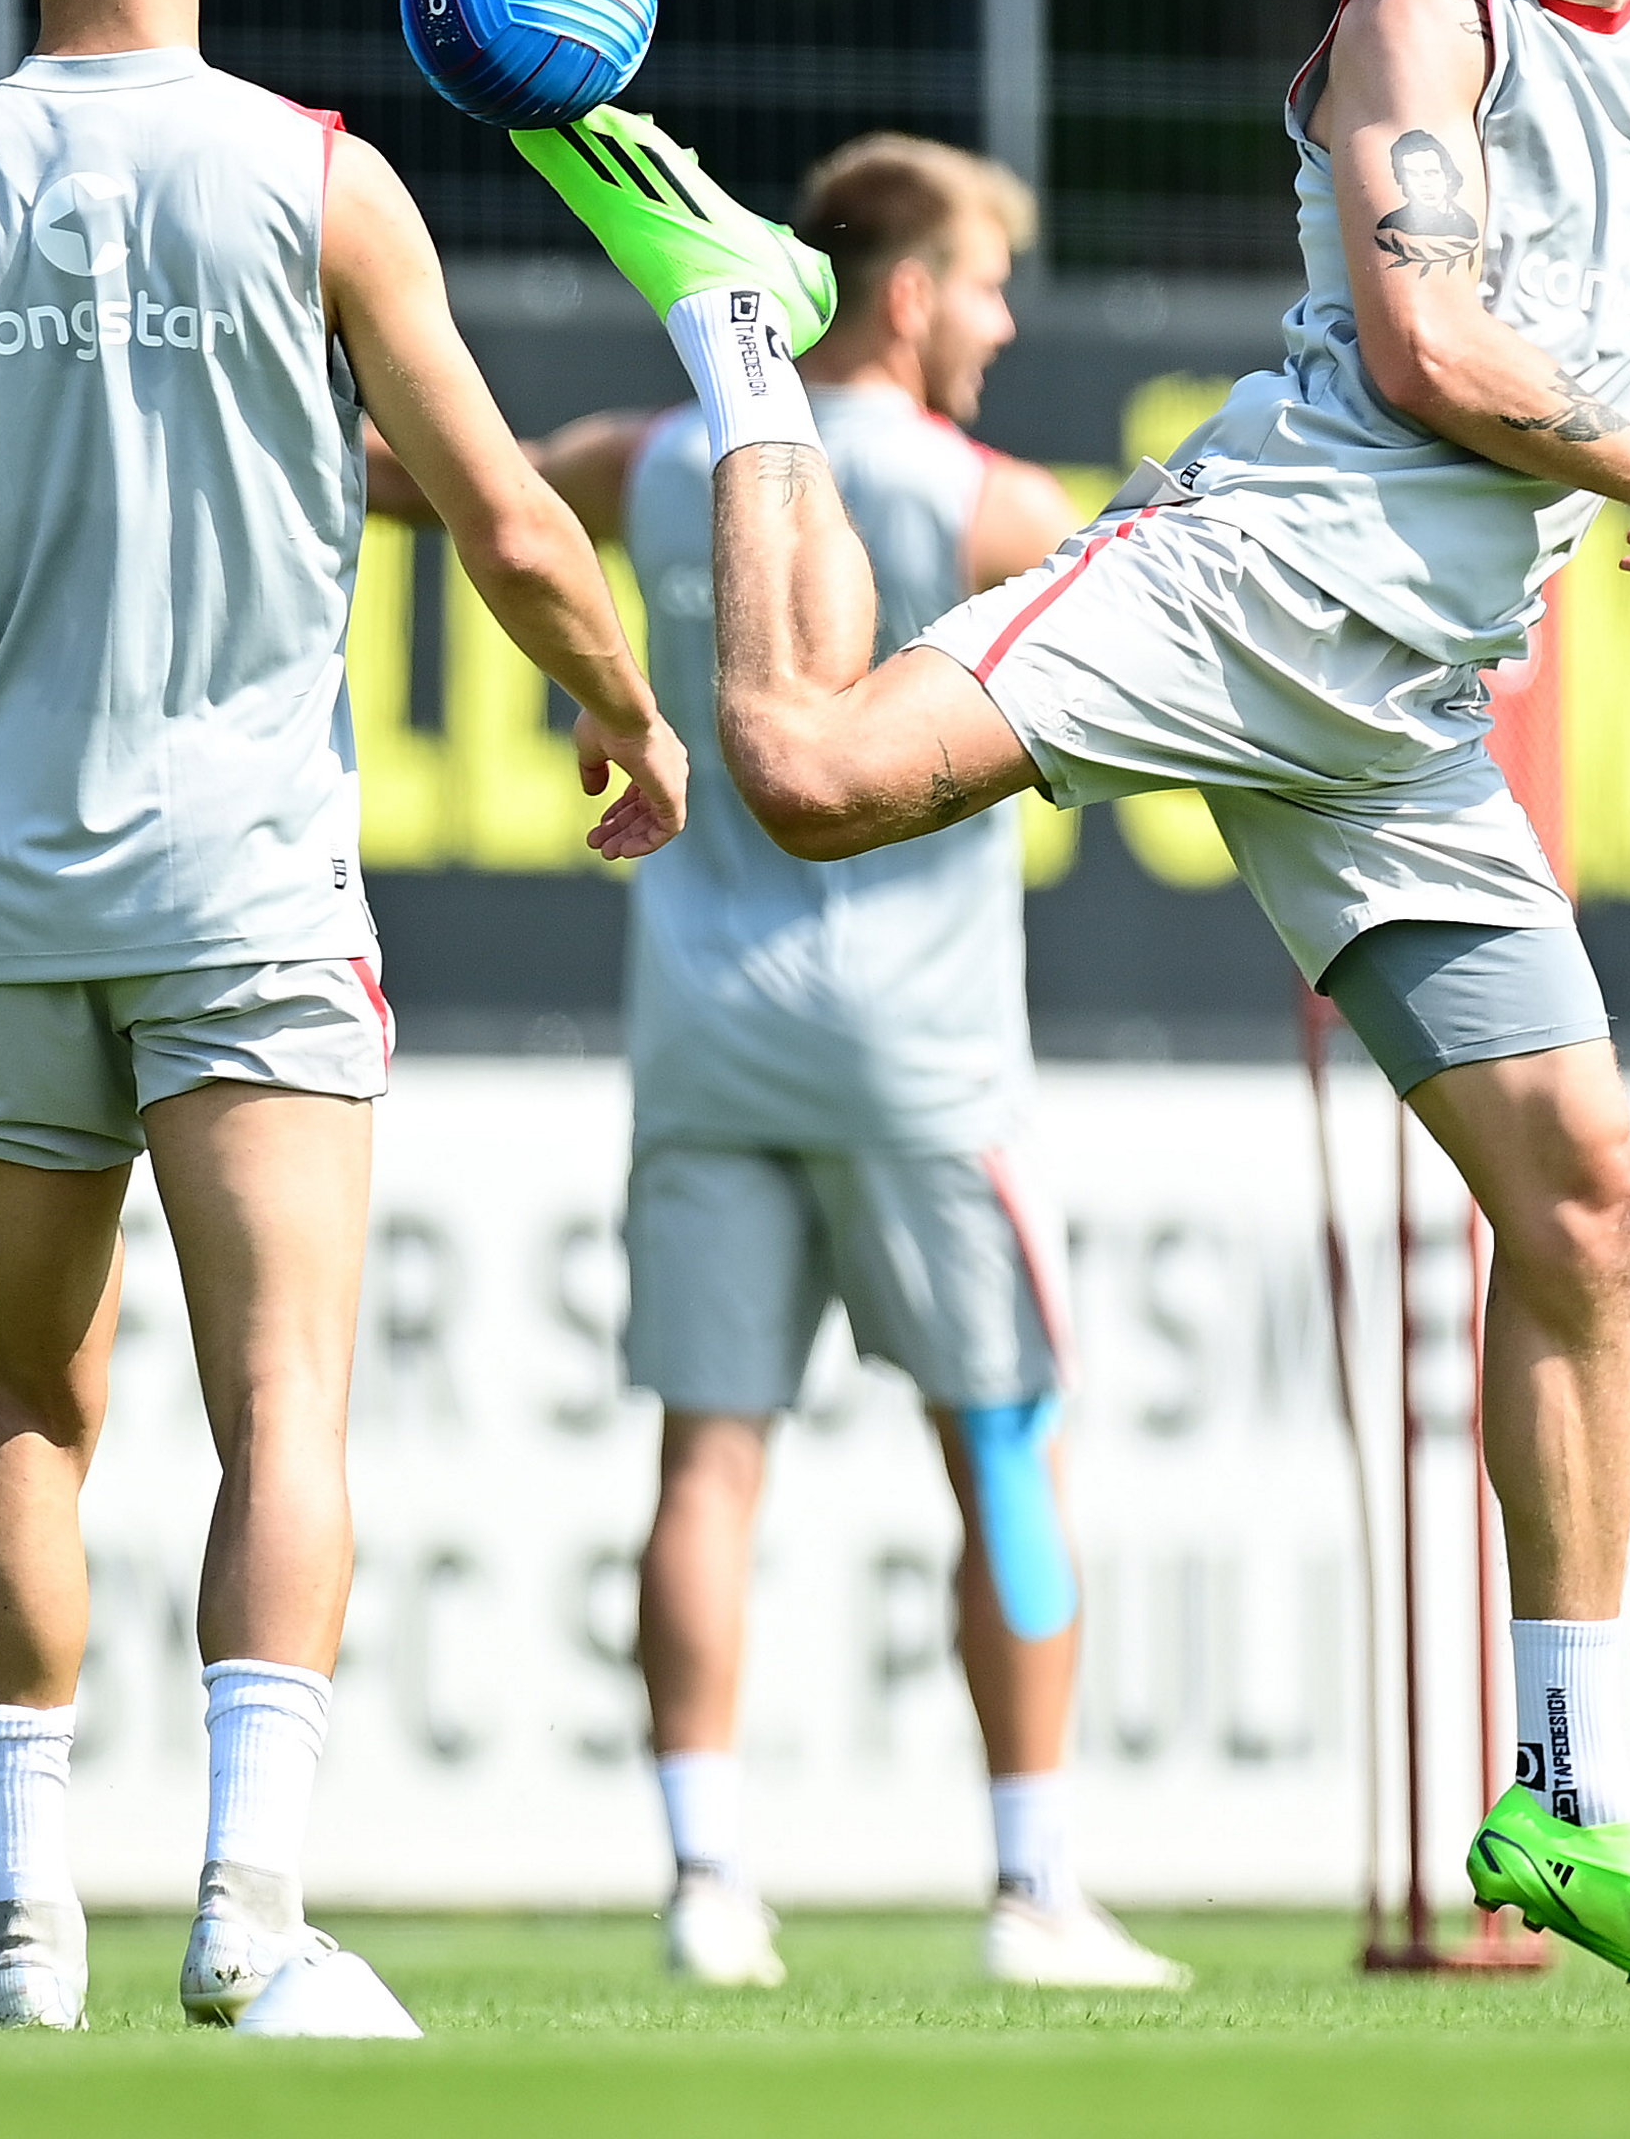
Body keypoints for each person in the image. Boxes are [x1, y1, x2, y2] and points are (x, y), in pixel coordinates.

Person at [499, 0, 1630, 2023]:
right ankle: (737, 328)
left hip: (1407, 706)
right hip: (1257, 572)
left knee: (1588, 1211)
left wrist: (1613, 459)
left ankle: (1564, 1790)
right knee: (798, 779)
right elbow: (1423, 360)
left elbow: (1572, 325)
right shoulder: (1427, 13)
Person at [0, 0, 683, 2035]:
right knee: (283, 1405)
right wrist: (620, 700)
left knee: (21, 1400)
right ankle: (247, 1916)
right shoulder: (314, 180)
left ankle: (16, 1940)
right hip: (244, 885)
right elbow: (502, 511)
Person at [366, 136, 1183, 1990]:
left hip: (710, 1031)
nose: (994, 320)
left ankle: (705, 1878)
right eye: (982, 283)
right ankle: (1034, 1888)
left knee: (708, 1464)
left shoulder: (655, 460)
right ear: (902, 295)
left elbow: (423, 483)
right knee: (1001, 1444)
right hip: (921, 1054)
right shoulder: (986, 499)